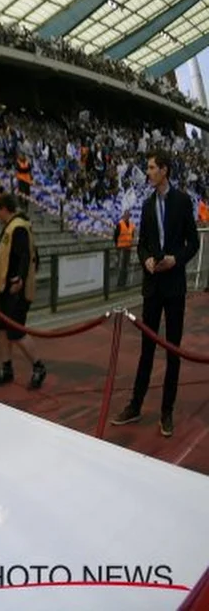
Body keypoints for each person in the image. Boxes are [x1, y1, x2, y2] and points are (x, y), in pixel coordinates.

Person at [111, 150, 199, 437]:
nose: (147, 172)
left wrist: (176, 259)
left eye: (151, 168)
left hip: (174, 285)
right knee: (146, 350)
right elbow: (142, 244)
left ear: (164, 170)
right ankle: (135, 405)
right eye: (147, 167)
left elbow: (193, 242)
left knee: (172, 350)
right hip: (152, 286)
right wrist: (146, 259)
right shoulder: (147, 206)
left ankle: (166, 411)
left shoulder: (183, 201)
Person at [0, 193, 45, 389]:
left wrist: (19, 278)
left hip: (16, 288)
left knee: (16, 330)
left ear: (5, 209)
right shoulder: (12, 227)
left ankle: (38, 367)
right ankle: (6, 369)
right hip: (7, 287)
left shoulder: (18, 227)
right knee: (3, 328)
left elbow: (25, 255)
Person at [114, 208, 135, 289]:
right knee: (121, 266)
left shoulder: (132, 225)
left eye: (128, 215)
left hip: (128, 248)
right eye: (126, 215)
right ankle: (120, 284)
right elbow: (115, 236)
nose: (127, 217)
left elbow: (132, 235)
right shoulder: (119, 224)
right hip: (121, 247)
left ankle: (124, 283)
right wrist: (117, 246)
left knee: (126, 266)